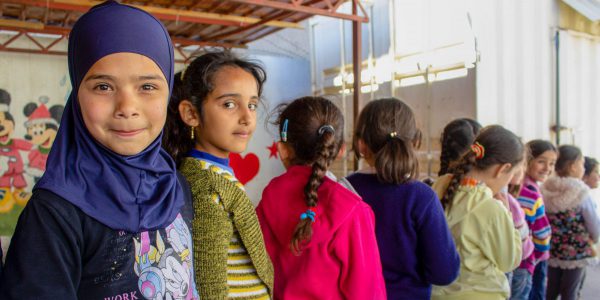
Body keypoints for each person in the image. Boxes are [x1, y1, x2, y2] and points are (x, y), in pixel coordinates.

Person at [0, 1, 199, 299]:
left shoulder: (174, 184)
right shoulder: (55, 213)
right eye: (103, 87)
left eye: (147, 87)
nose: (127, 108)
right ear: (77, 94)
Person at [163, 51, 273, 299]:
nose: (247, 118)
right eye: (229, 104)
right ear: (191, 114)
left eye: (252, 105)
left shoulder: (215, 175)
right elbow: (208, 280)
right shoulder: (207, 187)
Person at [256, 96, 386, 299]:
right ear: (341, 150)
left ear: (282, 150)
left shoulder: (266, 202)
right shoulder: (352, 212)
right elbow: (368, 293)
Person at [344, 98, 459, 299]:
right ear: (414, 142)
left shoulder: (343, 191)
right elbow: (444, 272)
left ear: (361, 145)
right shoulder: (422, 197)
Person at [431, 125, 523, 300]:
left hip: (436, 293)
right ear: (502, 169)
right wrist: (508, 217)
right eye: (512, 174)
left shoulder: (441, 184)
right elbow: (508, 261)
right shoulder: (492, 209)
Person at [543, 146, 600, 300]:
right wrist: (594, 239)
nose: (583, 168)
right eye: (581, 164)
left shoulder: (546, 188)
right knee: (571, 290)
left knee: (551, 288)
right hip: (576, 251)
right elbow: (593, 222)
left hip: (553, 248)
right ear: (573, 166)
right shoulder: (581, 191)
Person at [511, 140, 556, 300]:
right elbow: (542, 234)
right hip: (529, 261)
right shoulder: (528, 193)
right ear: (526, 161)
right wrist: (538, 258)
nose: (547, 168)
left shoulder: (510, 188)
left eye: (552, 163)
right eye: (541, 161)